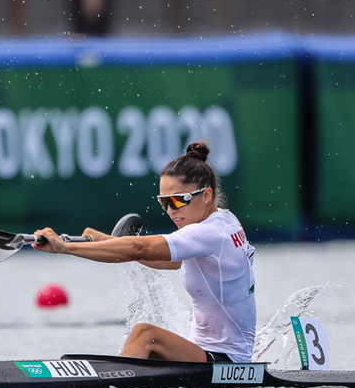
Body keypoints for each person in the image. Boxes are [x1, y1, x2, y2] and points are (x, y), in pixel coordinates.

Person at [33, 141, 256, 363]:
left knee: (145, 335)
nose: (171, 211)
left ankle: (112, 387)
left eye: (179, 200)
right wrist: (108, 241)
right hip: (205, 352)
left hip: (226, 360)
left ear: (206, 195)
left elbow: (139, 249)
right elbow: (171, 261)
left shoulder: (208, 233)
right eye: (164, 202)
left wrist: (66, 247)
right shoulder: (225, 220)